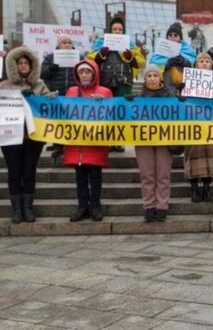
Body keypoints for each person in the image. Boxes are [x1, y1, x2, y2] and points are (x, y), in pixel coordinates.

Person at [0, 47, 51, 223]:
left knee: (29, 172)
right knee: (14, 172)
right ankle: (16, 209)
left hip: (33, 136)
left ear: (32, 66)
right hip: (10, 137)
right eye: (19, 63)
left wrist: (45, 97)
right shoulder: (3, 86)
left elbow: (49, 105)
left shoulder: (40, 85)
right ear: (13, 66)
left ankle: (28, 208)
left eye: (26, 63)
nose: (23, 66)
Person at [64, 60, 112, 222]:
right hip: (77, 143)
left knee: (95, 176)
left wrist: (104, 103)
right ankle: (82, 206)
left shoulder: (104, 92)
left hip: (95, 142)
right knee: (80, 177)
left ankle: (95, 206)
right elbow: (62, 113)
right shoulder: (71, 91)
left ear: (94, 73)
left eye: (87, 72)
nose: (84, 75)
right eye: (81, 72)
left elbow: (113, 115)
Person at [89, 17, 144, 153]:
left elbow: (140, 63)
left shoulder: (130, 45)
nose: (117, 31)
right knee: (106, 112)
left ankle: (119, 141)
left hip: (123, 82)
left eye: (120, 29)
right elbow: (91, 61)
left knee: (121, 112)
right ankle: (107, 141)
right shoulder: (100, 44)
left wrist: (130, 56)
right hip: (105, 82)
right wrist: (101, 54)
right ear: (110, 30)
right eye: (114, 29)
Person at [130, 64, 174, 222]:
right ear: (145, 79)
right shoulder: (137, 97)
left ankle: (162, 206)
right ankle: (149, 206)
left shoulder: (170, 95)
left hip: (164, 139)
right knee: (147, 174)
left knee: (163, 174)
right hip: (144, 140)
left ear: (160, 77)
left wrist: (181, 102)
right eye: (149, 76)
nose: (152, 78)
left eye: (155, 75)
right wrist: (127, 102)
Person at [183, 53, 213, 203]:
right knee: (192, 156)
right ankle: (194, 189)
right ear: (196, 65)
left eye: (207, 61)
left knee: (210, 158)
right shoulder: (187, 82)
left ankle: (206, 188)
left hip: (211, 124)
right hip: (193, 125)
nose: (204, 63)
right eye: (201, 61)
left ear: (212, 65)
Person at [40, 35, 81, 158]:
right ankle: (58, 145)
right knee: (57, 120)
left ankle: (70, 144)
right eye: (64, 42)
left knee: (71, 119)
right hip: (56, 93)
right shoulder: (50, 57)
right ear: (58, 45)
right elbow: (42, 74)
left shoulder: (79, 57)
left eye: (69, 42)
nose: (67, 45)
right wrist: (51, 68)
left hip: (73, 93)